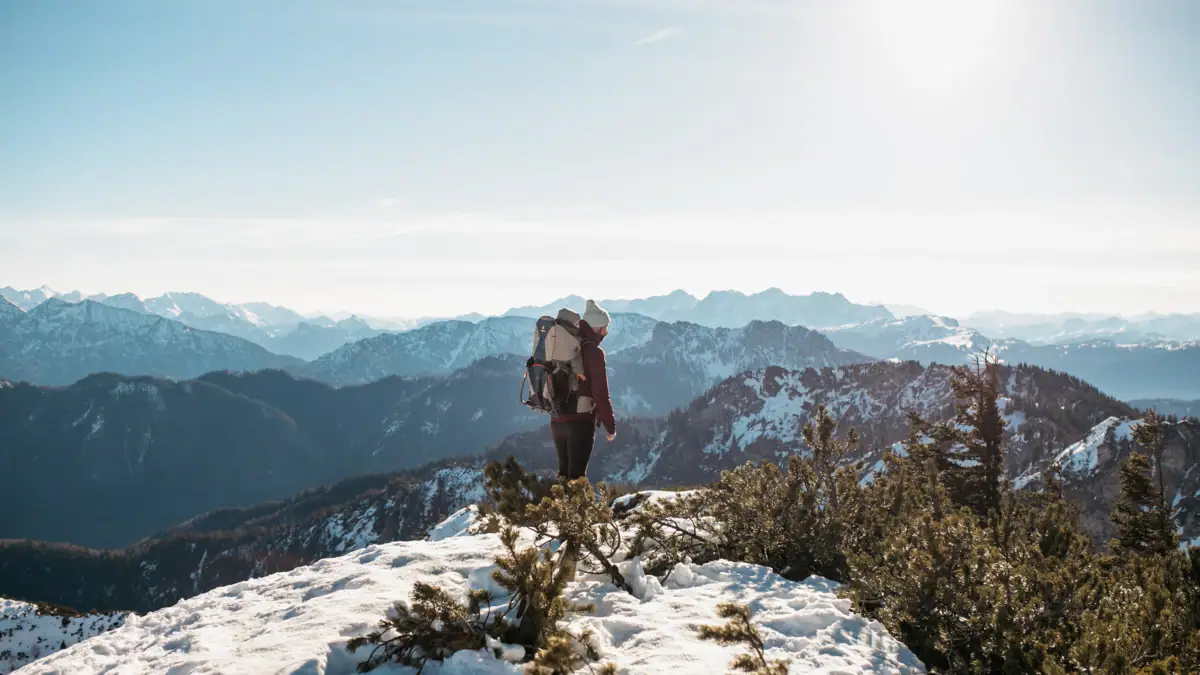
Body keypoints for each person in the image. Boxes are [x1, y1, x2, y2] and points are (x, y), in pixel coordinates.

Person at [550, 299, 616, 480]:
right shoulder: (593, 351)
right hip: (580, 422)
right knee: (577, 479)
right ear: (597, 328)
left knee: (564, 475)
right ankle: (573, 509)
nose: (606, 333)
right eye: (605, 328)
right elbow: (600, 393)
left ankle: (556, 508)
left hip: (557, 419)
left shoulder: (568, 345)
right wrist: (610, 426)